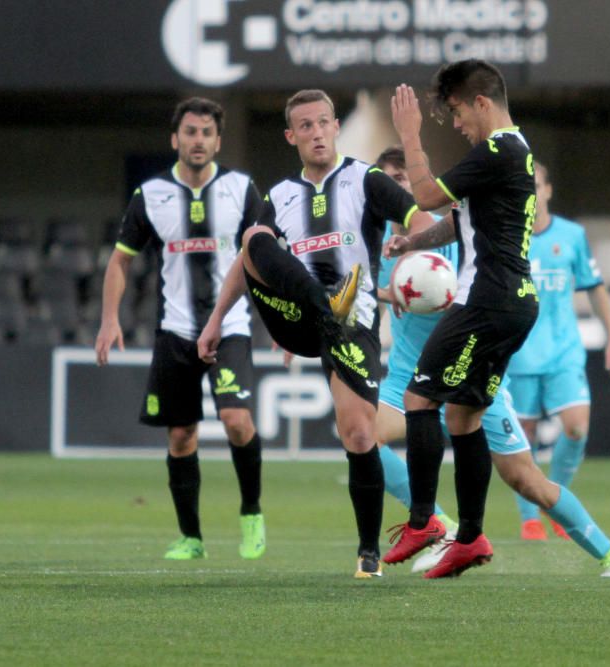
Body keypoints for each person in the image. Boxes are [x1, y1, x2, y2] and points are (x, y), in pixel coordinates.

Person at [197, 89, 435, 579]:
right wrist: (217, 319)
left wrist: (415, 245)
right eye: (304, 126)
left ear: (334, 127)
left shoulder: (365, 179)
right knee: (253, 238)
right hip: (307, 312)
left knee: (359, 432)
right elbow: (249, 261)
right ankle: (325, 303)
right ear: (292, 136)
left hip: (356, 318)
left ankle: (368, 553)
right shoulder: (279, 196)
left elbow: (420, 215)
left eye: (323, 122)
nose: (316, 132)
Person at [374, 147, 610, 577]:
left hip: (469, 366)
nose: (397, 187)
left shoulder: (458, 232)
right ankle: (441, 523)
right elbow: (371, 291)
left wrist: (430, 295)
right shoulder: (382, 240)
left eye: (404, 178)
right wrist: (387, 293)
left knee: (524, 478)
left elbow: (471, 296)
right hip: (408, 372)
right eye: (389, 182)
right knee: (363, 436)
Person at [380, 58, 541, 578]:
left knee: (418, 398)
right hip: (513, 303)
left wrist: (409, 133)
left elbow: (426, 195)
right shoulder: (510, 154)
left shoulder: (499, 148)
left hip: (485, 301)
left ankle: (425, 521)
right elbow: (459, 221)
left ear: (481, 103)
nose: (454, 124)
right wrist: (414, 241)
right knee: (462, 416)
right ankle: (470, 538)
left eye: (454, 112)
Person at [95, 97, 266, 561]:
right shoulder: (149, 195)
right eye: (190, 132)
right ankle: (191, 537)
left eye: (206, 133)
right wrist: (110, 318)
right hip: (175, 330)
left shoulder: (240, 188)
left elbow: (267, 256)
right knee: (181, 436)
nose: (198, 140)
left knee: (236, 421)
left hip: (228, 325)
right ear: (175, 139)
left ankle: (251, 511)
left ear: (217, 140)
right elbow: (119, 261)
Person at [508, 160, 610, 541]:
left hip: (563, 353)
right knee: (521, 438)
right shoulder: (507, 236)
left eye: (536, 185)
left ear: (548, 190)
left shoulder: (572, 236)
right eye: (524, 187)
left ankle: (554, 500)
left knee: (576, 427)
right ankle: (529, 519)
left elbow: (594, 285)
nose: (531, 192)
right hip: (518, 354)